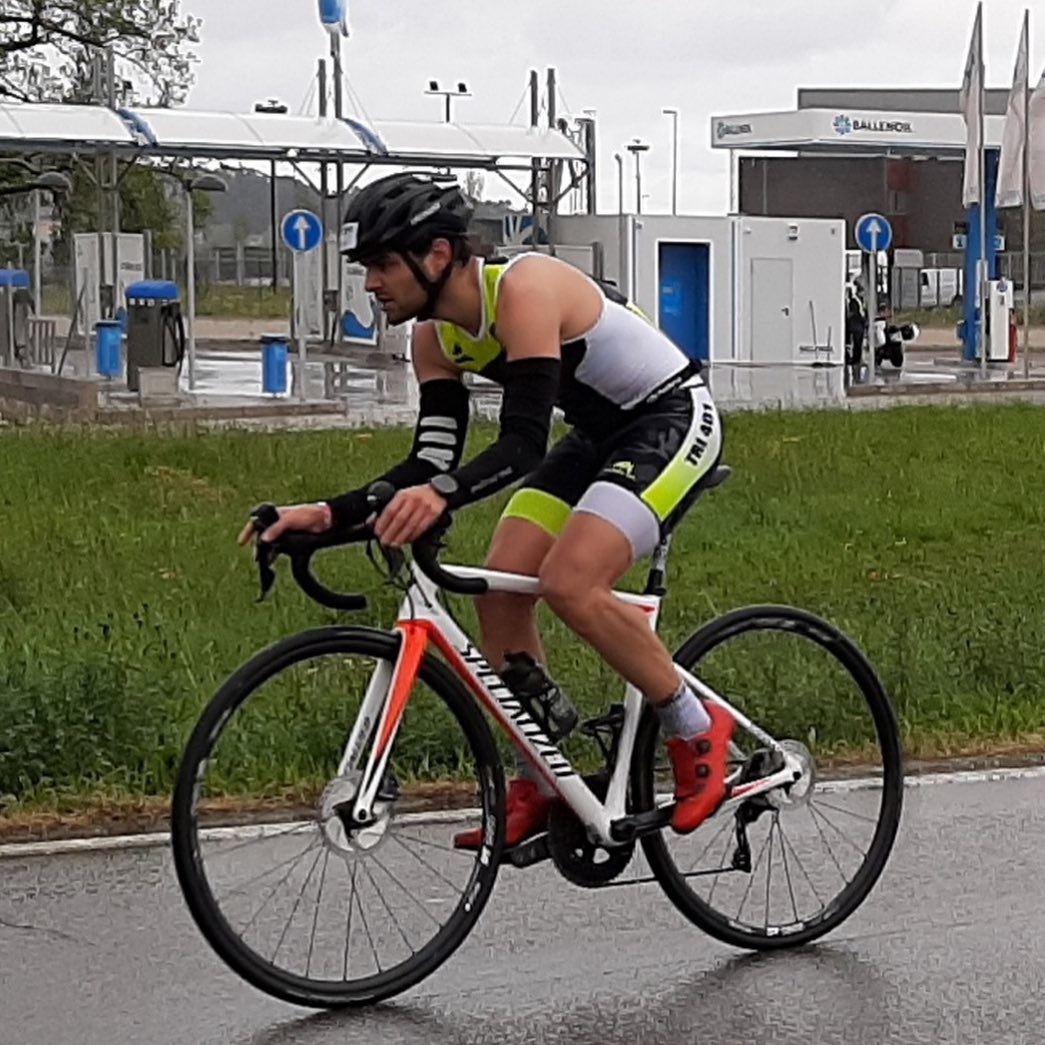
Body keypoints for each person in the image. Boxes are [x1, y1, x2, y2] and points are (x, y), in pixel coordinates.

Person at [239, 172, 732, 850]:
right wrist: (326, 514)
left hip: (671, 419)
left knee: (570, 581)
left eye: (382, 265)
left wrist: (441, 494)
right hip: (595, 436)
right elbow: (428, 463)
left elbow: (522, 445)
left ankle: (695, 727)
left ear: (437, 255)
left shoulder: (524, 290)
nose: (371, 284)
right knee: (498, 587)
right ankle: (544, 777)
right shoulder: (432, 339)